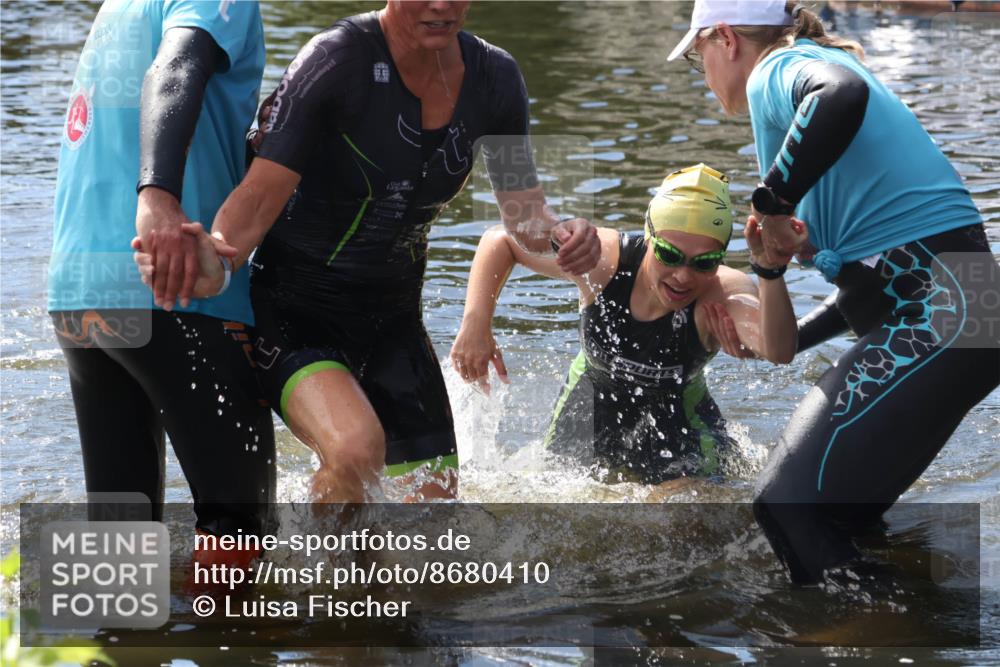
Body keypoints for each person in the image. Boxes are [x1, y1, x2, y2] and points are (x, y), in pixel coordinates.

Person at [138, 1, 602, 503]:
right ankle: (318, 553)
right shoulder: (335, 61)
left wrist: (562, 234)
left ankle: (345, 555)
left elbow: (525, 215)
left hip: (395, 325)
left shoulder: (496, 78)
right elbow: (257, 199)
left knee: (435, 512)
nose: (441, 5)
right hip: (294, 315)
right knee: (355, 449)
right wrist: (215, 260)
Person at [669, 0, 1000, 583]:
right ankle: (918, 619)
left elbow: (841, 94)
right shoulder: (804, 68)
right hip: (965, 304)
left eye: (698, 57)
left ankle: (868, 628)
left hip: (947, 313)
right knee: (838, 517)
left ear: (726, 38)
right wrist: (793, 336)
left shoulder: (775, 69)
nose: (703, 75)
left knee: (785, 506)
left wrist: (772, 202)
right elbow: (882, 273)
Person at [49, 0, 275, 547]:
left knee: (119, 529)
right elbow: (176, 67)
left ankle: (114, 609)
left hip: (81, 284)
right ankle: (230, 616)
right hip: (175, 279)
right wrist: (159, 197)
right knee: (240, 524)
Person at [451, 164, 798, 484]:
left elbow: (780, 350)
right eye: (669, 254)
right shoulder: (602, 262)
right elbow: (502, 240)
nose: (683, 276)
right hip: (588, 410)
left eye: (704, 262)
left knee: (686, 512)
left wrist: (769, 270)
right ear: (649, 238)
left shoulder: (722, 294)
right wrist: (476, 325)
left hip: (680, 422)